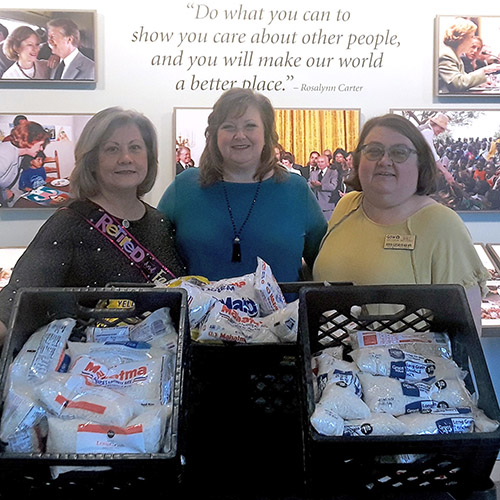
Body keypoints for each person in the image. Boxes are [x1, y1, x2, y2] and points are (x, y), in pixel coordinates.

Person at [0, 107, 186, 343]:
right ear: (92, 161)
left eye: (135, 148)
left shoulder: (160, 223)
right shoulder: (68, 223)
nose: (126, 158)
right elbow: (17, 296)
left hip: (157, 369)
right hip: (86, 372)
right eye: (112, 149)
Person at [312, 114, 489, 335]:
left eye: (399, 152)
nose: (384, 160)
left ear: (420, 162)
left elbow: (467, 333)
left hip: (401, 366)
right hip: (329, 363)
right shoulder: (346, 206)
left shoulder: (443, 225)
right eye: (374, 151)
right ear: (359, 160)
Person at [158, 87, 327, 283]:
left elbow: (323, 266)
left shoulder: (296, 190)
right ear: (214, 134)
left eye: (250, 126)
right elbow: (153, 257)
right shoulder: (185, 187)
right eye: (228, 126)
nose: (239, 135)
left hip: (282, 314)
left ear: (267, 134)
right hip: (198, 314)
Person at [438, 18, 500, 93]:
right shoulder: (447, 55)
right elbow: (458, 84)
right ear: (461, 38)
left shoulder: (455, 55)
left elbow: (465, 79)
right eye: (471, 37)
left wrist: (481, 83)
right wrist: (484, 70)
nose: (473, 41)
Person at [0, 120, 49, 207]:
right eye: (40, 144)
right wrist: (3, 194)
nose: (41, 149)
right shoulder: (5, 155)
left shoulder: (20, 155)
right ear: (31, 141)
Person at [308, 154, 339, 220]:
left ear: (327, 163)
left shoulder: (332, 173)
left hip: (327, 205)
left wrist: (321, 185)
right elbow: (308, 184)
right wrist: (313, 184)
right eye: (318, 162)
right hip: (315, 205)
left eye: (322, 162)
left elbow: (333, 186)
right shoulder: (313, 173)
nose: (320, 164)